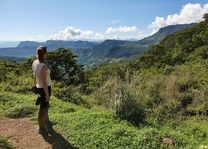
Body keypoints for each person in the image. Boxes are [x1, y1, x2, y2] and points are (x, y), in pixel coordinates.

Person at [32, 46, 52, 134]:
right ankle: (41, 128)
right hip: (45, 88)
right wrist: (47, 94)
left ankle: (47, 121)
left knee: (46, 105)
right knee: (43, 108)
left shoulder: (35, 62)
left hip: (39, 86)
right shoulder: (43, 65)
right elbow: (44, 81)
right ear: (45, 53)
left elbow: (35, 75)